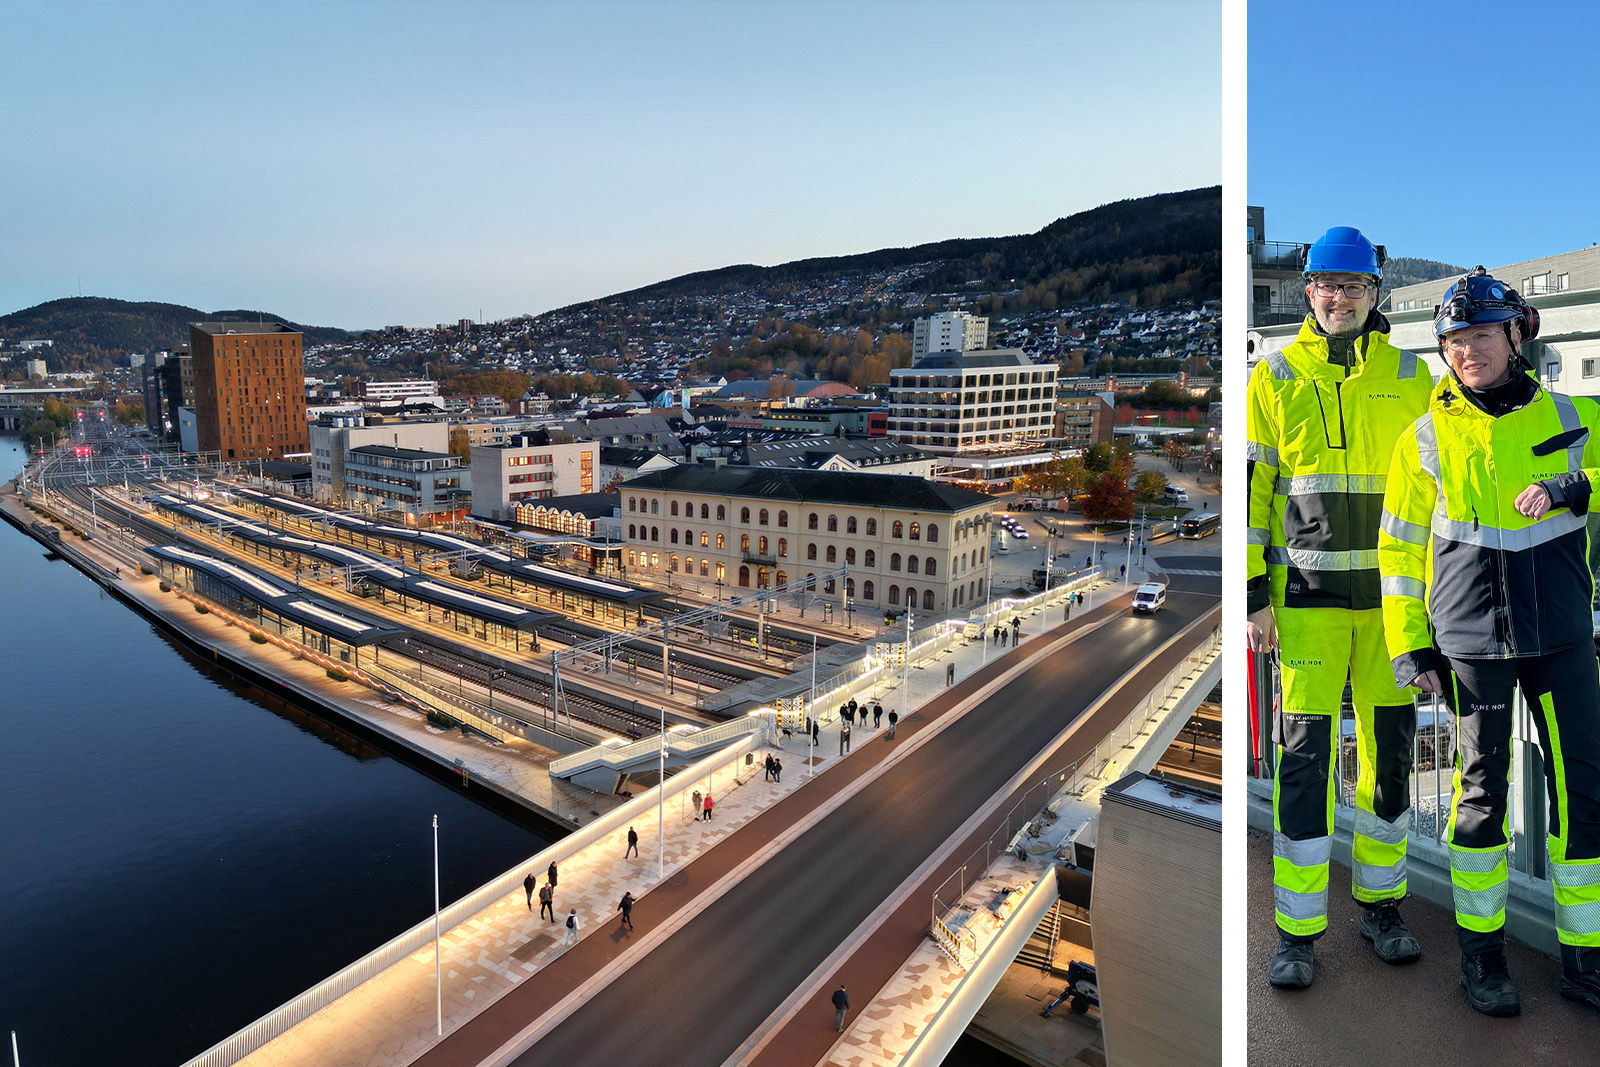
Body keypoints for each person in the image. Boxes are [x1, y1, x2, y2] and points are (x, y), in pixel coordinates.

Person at [1378, 268, 1600, 1017]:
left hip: (1563, 634)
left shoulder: (1573, 413)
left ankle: (1585, 958)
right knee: (1480, 797)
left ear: (1516, 334)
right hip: (1471, 644)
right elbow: (1400, 552)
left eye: (1480, 335)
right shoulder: (1424, 439)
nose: (1467, 351)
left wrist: (1578, 486)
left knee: (1586, 797)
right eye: (1454, 340)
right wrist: (1411, 647)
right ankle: (1483, 957)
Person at [1247, 226, 1433, 991]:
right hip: (1309, 608)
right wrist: (1257, 597)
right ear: (1308, 291)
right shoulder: (1276, 375)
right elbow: (1256, 495)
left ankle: (1382, 905)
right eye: (1327, 284)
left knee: (1390, 764)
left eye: (1354, 286)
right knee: (1304, 765)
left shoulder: (1414, 375)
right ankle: (1297, 930)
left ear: (1374, 295)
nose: (1340, 297)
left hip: (1392, 608)